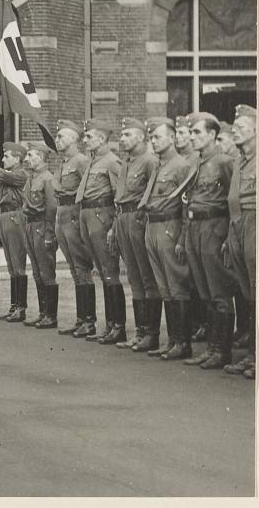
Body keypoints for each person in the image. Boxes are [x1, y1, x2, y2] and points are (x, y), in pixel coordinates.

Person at [179, 112, 235, 370]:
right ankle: (211, 349)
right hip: (194, 228)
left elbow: (234, 200)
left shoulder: (223, 162)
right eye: (191, 133)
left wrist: (229, 235)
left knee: (218, 292)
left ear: (212, 135)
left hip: (214, 227)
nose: (192, 137)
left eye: (197, 132)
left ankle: (221, 351)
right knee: (204, 291)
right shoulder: (197, 163)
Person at [138, 117, 194, 361]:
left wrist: (181, 235)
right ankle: (173, 340)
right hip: (153, 226)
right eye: (152, 137)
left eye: (158, 136)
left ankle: (183, 341)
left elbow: (186, 203)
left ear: (172, 138)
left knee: (176, 284)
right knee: (164, 286)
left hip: (169, 226)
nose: (154, 140)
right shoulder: (159, 165)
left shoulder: (181, 165)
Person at [112, 118, 161, 352]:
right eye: (122, 135)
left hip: (138, 220)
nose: (123, 139)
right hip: (123, 219)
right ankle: (141, 332)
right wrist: (114, 225)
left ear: (141, 137)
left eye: (128, 134)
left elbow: (152, 195)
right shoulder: (126, 162)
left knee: (146, 276)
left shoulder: (150, 161)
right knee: (133, 276)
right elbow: (120, 195)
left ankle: (151, 333)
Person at [76, 119, 125, 343]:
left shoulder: (112, 162)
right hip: (88, 216)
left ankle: (118, 325)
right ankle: (110, 324)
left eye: (89, 137)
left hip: (101, 216)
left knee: (109, 271)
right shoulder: (93, 161)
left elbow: (120, 196)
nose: (85, 140)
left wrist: (114, 226)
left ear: (103, 139)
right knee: (101, 271)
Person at [52, 120, 96, 336]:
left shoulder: (80, 161)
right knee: (73, 269)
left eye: (61, 136)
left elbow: (87, 192)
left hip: (73, 216)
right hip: (62, 215)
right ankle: (81, 319)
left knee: (81, 268)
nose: (57, 140)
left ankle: (89, 320)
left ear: (74, 138)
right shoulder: (64, 163)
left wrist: (80, 223)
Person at [224, 104, 256, 379]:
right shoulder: (239, 160)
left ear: (257, 131)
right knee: (248, 291)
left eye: (241, 127)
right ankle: (252, 355)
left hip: (256, 222)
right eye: (234, 127)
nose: (235, 131)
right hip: (238, 224)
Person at [174, 114, 206, 344]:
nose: (179, 137)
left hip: (195, 223)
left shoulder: (196, 160)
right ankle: (194, 322)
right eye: (176, 133)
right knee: (186, 276)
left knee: (198, 278)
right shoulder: (178, 159)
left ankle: (203, 323)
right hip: (178, 221)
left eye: (183, 133)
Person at [21, 142, 59, 329]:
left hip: (42, 226)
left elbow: (52, 208)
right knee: (37, 271)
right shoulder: (31, 178)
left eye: (31, 155)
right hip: (30, 225)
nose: (27, 159)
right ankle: (43, 313)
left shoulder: (47, 179)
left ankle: (51, 316)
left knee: (46, 271)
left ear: (42, 158)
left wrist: (50, 234)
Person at [0, 142, 29, 322]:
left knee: (18, 264)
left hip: (16, 218)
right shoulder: (7, 176)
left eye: (7, 156)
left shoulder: (20, 174)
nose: (3, 159)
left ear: (18, 158)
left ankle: (21, 307)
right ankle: (14, 305)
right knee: (11, 265)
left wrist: (0, 171)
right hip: (5, 217)